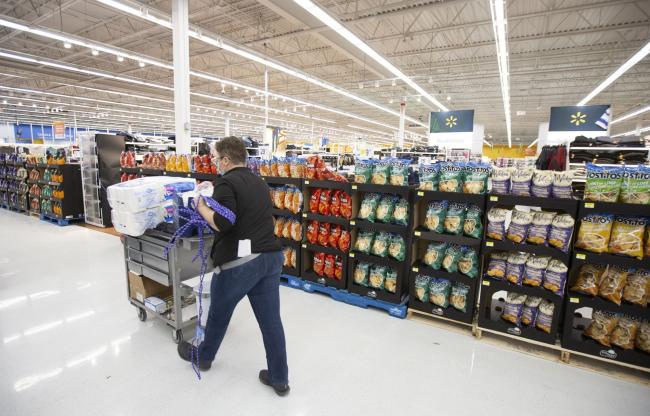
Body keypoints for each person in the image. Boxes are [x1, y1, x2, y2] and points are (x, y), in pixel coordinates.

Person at [177, 136, 290, 396]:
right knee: (271, 322)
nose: (214, 162)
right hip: (271, 259)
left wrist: (201, 206)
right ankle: (279, 378)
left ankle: (203, 358)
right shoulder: (258, 181)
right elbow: (244, 209)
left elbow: (222, 222)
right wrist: (212, 192)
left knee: (218, 315)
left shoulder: (226, 182)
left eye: (216, 158)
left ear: (226, 159)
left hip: (242, 264)